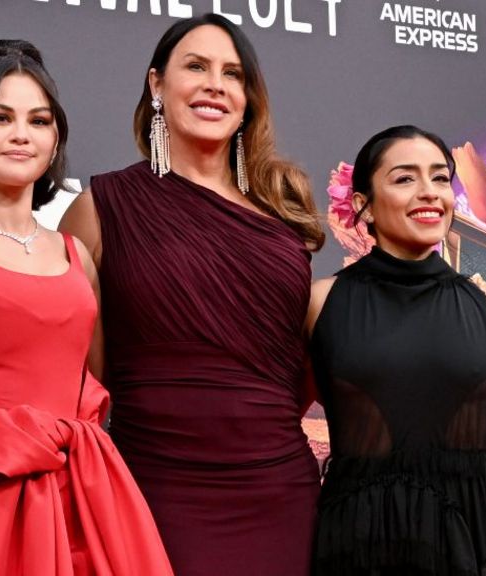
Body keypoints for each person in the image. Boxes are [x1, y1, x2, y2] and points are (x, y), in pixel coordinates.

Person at [0, 40, 173, 575]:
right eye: (0, 118)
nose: (21, 134)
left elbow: (90, 378)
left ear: (55, 137)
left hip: (88, 497)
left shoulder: (75, 255)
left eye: (38, 121)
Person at [58, 14, 325, 575]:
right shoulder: (101, 208)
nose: (215, 85)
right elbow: (83, 362)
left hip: (279, 490)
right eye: (196, 67)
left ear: (248, 98)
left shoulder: (284, 218)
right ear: (157, 85)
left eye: (233, 74)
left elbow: (298, 364)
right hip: (155, 483)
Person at [306, 125, 486, 575]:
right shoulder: (320, 303)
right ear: (361, 205)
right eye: (405, 178)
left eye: (440, 178)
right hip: (365, 544)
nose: (429, 193)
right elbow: (274, 421)